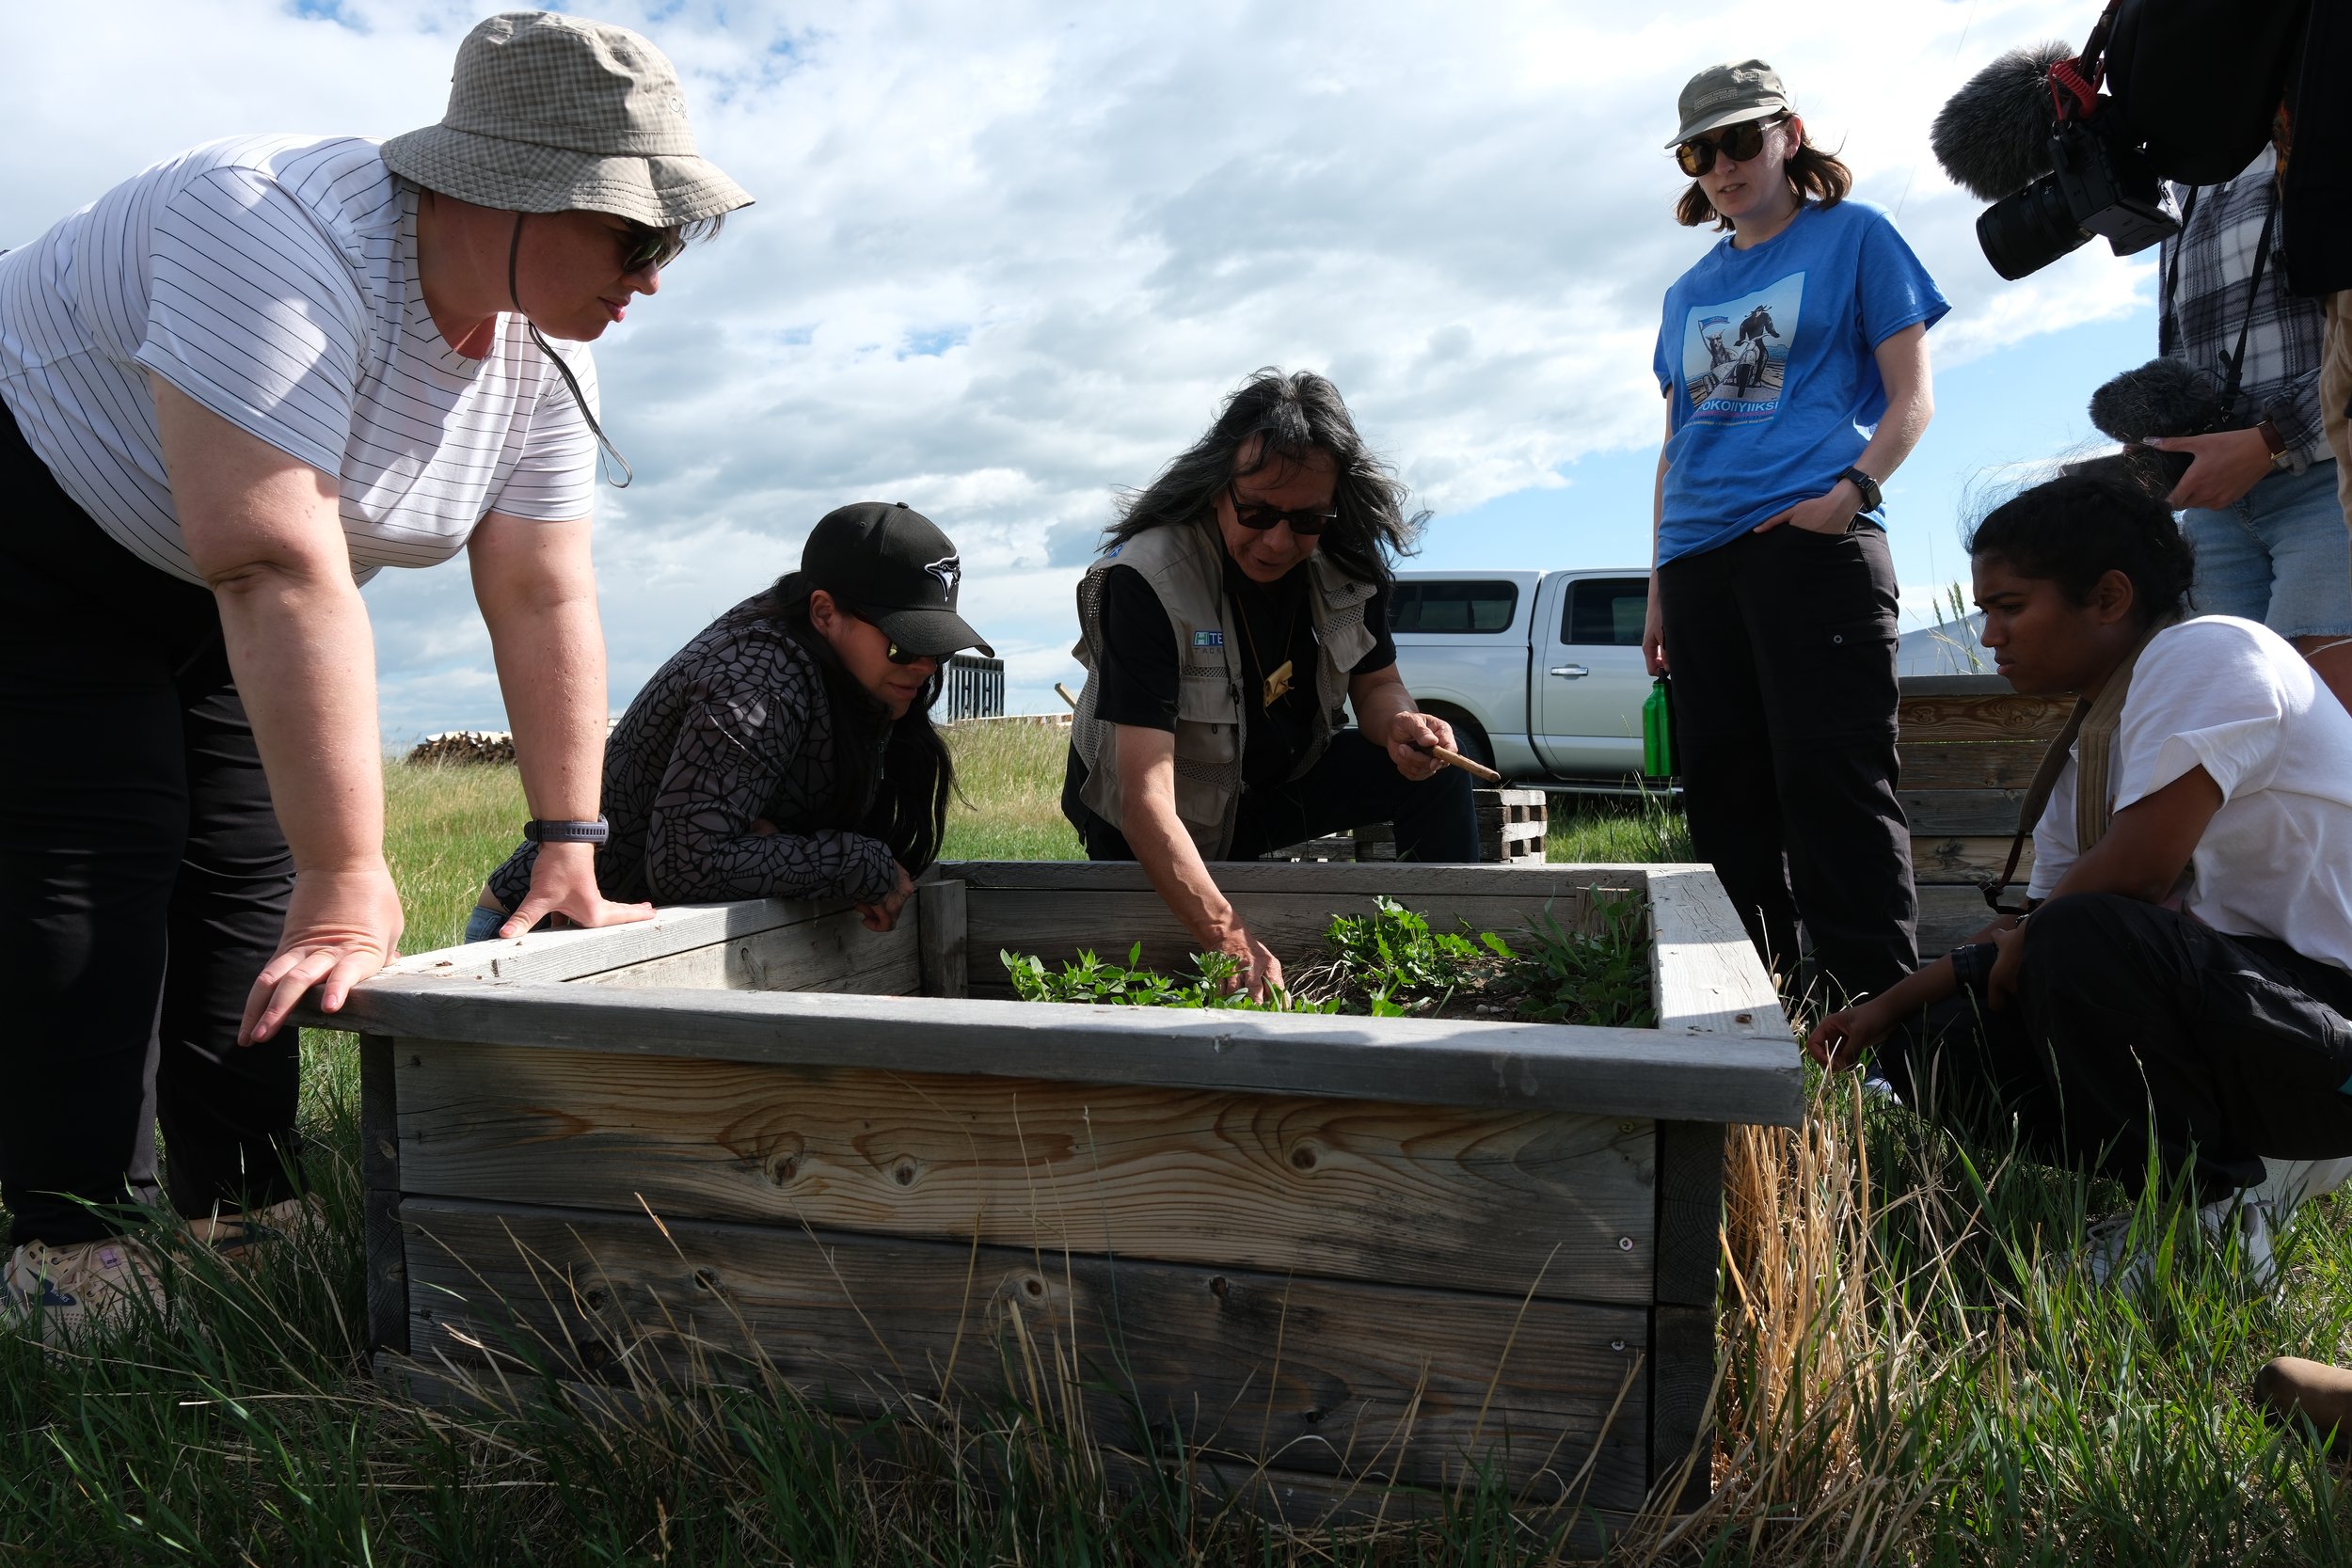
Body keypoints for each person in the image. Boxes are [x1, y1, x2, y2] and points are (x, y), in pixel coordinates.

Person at [0, 10, 750, 1338]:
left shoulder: (542, 344)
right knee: (99, 850)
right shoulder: (269, 227)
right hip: (40, 522)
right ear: (513, 184)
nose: (657, 273)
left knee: (243, 870)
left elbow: (539, 585)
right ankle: (72, 1248)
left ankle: (239, 1206)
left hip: (200, 569)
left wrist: (569, 838)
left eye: (676, 239)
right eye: (639, 234)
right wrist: (355, 866)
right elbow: (276, 564)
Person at [1806, 470, 2352, 1287]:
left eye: (2011, 606)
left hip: (2326, 1036)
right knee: (1937, 1047)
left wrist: (2027, 941)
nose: (1989, 633)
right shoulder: (2092, 748)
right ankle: (2206, 1176)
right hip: (2249, 1020)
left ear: (2108, 597)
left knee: (2077, 935)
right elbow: (2021, 933)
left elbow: (2131, 876)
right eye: (1986, 609)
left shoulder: (2206, 651)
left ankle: (2210, 1221)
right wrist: (1886, 1012)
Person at [1642, 59, 1947, 1010]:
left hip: (1809, 544)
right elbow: (1673, 445)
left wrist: (1849, 494)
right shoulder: (1685, 294)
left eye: (1740, 139)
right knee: (1725, 805)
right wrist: (1658, 582)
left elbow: (1913, 398)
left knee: (1835, 793)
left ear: (1788, 132)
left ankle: (1880, 1044)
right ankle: (1756, 1023)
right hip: (1695, 561)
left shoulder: (1855, 237)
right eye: (1701, 150)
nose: (1723, 164)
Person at [1060, 370, 1476, 1000]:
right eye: (1256, 512)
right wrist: (1229, 936)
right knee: (1164, 977)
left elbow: (1378, 684)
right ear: (1219, 486)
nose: (1279, 540)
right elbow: (1145, 791)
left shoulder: (1344, 558)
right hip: (1144, 810)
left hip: (1271, 781)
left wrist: (1399, 724)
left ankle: (1447, 968)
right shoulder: (1148, 579)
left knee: (1441, 773)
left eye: (1306, 520)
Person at [469, 503, 989, 936]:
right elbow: (686, 865)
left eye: (936, 649)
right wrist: (854, 861)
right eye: (903, 645)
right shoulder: (757, 680)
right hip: (540, 936)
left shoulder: (842, 672)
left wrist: (776, 844)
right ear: (825, 612)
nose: (923, 665)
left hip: (638, 942)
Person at [2142, 149, 2350, 691]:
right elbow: (2187, 354)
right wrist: (2162, 443)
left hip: (2330, 486)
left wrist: (2275, 440)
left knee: (2325, 737)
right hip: (2216, 510)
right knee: (2230, 720)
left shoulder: (2322, 128)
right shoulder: (2183, 180)